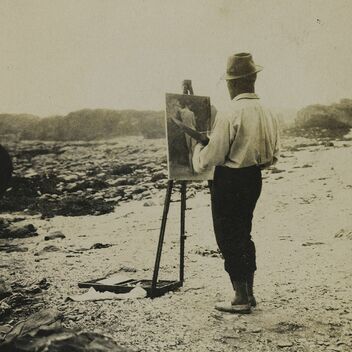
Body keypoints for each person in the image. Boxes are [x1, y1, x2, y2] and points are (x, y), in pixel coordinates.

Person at [192, 53, 280, 314]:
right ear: (252, 80)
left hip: (229, 181)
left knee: (228, 236)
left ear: (232, 83)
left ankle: (240, 298)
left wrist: (199, 149)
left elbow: (214, 156)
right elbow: (272, 155)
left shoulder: (231, 111)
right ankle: (249, 294)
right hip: (253, 178)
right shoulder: (267, 110)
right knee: (244, 232)